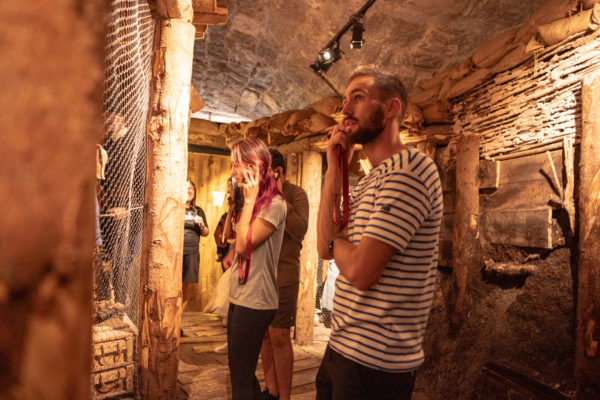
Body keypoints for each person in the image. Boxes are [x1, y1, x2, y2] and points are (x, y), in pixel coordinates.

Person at [316, 66, 444, 400]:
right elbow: (325, 248)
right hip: (343, 348)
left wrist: (338, 241)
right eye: (345, 100)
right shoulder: (372, 180)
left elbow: (360, 271)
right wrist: (333, 167)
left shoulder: (411, 170)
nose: (345, 110)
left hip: (375, 364)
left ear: (391, 108)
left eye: (357, 98)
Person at [225, 137, 287, 400]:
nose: (232, 172)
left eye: (235, 165)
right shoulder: (259, 202)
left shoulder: (275, 204)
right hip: (241, 296)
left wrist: (248, 202)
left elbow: (241, 247)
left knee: (240, 380)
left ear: (253, 166)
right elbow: (233, 241)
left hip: (257, 301)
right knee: (241, 374)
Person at [259, 149, 309, 400]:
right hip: (262, 274)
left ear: (277, 171)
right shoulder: (259, 195)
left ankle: (285, 396)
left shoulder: (296, 193)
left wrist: (279, 198)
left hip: (285, 273)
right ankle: (271, 390)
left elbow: (300, 229)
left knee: (279, 334)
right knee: (265, 334)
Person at [183, 179, 209, 308]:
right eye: (185, 188)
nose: (188, 191)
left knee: (184, 290)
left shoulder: (198, 211)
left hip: (191, 253)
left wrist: (202, 224)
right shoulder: (175, 209)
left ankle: (176, 324)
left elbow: (205, 233)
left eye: (191, 189)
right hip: (175, 253)